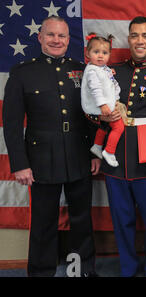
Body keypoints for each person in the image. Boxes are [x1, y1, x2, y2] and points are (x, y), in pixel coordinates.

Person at [2, 16, 99, 277]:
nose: (56, 40)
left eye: (62, 36)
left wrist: (94, 152)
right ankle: (41, 272)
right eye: (51, 35)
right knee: (44, 221)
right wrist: (20, 164)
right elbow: (11, 124)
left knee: (81, 218)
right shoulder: (22, 72)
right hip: (41, 158)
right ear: (40, 37)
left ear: (69, 39)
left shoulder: (83, 69)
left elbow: (91, 115)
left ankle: (80, 271)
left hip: (79, 153)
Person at [93, 16, 146, 277]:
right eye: (134, 35)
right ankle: (128, 270)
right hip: (116, 158)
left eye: (145, 36)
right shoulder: (111, 72)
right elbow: (94, 109)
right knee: (122, 221)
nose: (139, 40)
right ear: (128, 39)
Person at [81, 32, 123, 167]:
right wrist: (103, 105)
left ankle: (97, 146)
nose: (100, 55)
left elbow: (113, 85)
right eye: (96, 52)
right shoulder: (92, 71)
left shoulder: (103, 69)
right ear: (87, 54)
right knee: (118, 127)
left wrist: (116, 99)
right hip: (98, 106)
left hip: (106, 105)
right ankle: (109, 151)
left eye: (104, 53)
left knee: (104, 126)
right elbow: (96, 90)